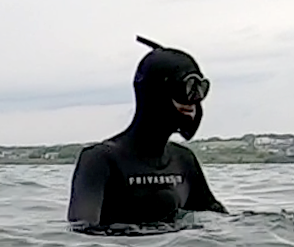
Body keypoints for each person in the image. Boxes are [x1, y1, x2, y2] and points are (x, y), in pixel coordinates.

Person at [66, 37, 228, 232]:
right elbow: (82, 233)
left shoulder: (184, 160)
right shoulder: (100, 160)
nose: (193, 100)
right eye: (187, 87)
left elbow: (221, 221)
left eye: (200, 89)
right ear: (156, 92)